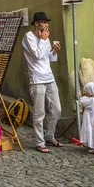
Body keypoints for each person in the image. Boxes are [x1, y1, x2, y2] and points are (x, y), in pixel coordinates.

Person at [22, 12, 63, 153]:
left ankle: (50, 136)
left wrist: (54, 50)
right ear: (35, 23)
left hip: (49, 77)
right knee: (39, 113)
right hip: (37, 79)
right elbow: (37, 55)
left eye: (45, 22)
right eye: (41, 22)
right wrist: (43, 39)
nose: (44, 25)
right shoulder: (29, 37)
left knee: (57, 110)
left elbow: (48, 58)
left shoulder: (44, 37)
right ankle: (40, 142)